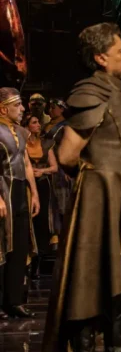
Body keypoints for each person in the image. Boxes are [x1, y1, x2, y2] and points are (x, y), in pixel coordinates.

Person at [43, 22, 121, 352]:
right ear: (100, 57)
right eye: (120, 50)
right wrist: (101, 180)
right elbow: (67, 155)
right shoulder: (91, 93)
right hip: (99, 203)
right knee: (90, 279)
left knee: (120, 279)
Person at [0, 88, 39, 319]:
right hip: (4, 189)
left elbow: (26, 163)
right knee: (3, 245)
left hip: (20, 190)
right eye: (17, 105)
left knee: (20, 244)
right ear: (4, 109)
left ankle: (14, 300)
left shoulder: (21, 132)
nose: (22, 109)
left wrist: (34, 193)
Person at [23, 114, 57, 280]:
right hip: (26, 185)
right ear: (27, 125)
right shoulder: (21, 142)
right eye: (34, 122)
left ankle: (37, 263)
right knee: (28, 222)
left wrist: (42, 171)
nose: (38, 125)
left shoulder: (45, 143)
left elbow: (54, 167)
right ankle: (27, 262)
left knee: (42, 222)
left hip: (43, 184)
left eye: (38, 122)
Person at [42, 98, 69, 244]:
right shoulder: (46, 125)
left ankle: (63, 235)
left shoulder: (66, 126)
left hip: (60, 168)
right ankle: (52, 234)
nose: (50, 110)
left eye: (53, 107)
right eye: (50, 108)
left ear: (62, 109)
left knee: (61, 201)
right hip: (45, 166)